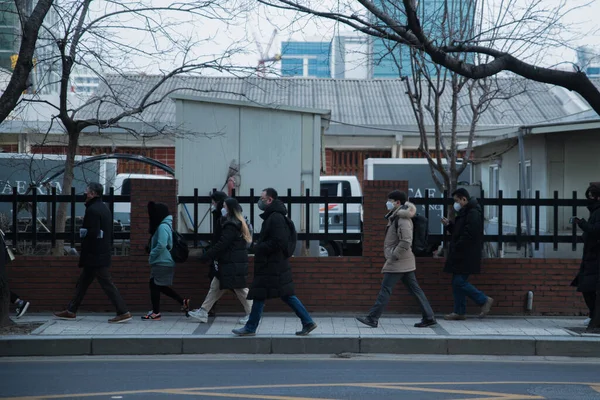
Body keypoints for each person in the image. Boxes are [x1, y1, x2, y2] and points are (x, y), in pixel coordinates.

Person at [232, 188, 317, 336]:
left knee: (265, 294)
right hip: (273, 264)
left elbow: (279, 242)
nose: (260, 201)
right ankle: (307, 321)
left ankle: (251, 327)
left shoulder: (275, 218)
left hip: (272, 265)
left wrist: (258, 247)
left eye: (262, 198)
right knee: (278, 294)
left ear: (270, 200)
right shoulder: (273, 216)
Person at [356, 190, 436, 329]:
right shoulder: (396, 216)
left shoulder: (403, 218)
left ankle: (372, 318)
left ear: (397, 202)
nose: (388, 203)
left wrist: (394, 255)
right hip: (404, 261)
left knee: (385, 289)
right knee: (415, 290)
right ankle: (429, 317)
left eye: (390, 201)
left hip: (398, 261)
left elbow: (406, 240)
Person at [54, 182, 132, 323]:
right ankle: (71, 310)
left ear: (93, 194)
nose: (85, 193)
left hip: (95, 255)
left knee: (107, 284)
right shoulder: (104, 208)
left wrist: (84, 237)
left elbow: (93, 233)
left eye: (87, 191)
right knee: (83, 283)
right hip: (100, 252)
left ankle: (123, 311)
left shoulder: (92, 210)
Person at [189, 197, 252, 324]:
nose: (222, 208)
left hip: (231, 262)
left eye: (224, 206)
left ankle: (253, 314)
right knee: (215, 286)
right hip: (231, 262)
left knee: (241, 290)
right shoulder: (238, 222)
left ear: (229, 208)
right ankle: (203, 311)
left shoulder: (231, 224)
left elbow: (222, 244)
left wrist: (207, 255)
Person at [441, 188, 493, 320]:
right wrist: (449, 225)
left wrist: (458, 246)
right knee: (456, 282)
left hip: (466, 254)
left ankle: (483, 300)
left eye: (457, 200)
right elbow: (459, 232)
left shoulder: (473, 213)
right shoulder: (465, 213)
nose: (455, 204)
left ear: (464, 199)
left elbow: (469, 234)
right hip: (461, 254)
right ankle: (459, 311)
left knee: (459, 281)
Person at [142, 201, 190, 320]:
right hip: (162, 261)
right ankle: (182, 301)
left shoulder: (163, 226)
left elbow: (162, 244)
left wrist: (152, 254)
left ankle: (156, 312)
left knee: (154, 285)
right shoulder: (165, 225)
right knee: (159, 286)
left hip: (162, 261)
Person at [189, 191, 228, 318]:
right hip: (218, 256)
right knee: (215, 283)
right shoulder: (218, 215)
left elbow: (221, 239)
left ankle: (252, 312)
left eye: (213, 202)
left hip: (223, 257)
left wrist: (210, 253)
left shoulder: (223, 217)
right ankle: (206, 310)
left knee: (238, 288)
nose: (212, 205)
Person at [571, 183, 600, 331]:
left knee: (588, 287)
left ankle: (595, 316)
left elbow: (596, 230)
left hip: (595, 257)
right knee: (586, 287)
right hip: (590, 256)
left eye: (592, 196)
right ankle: (594, 315)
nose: (590, 200)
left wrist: (581, 223)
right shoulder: (594, 211)